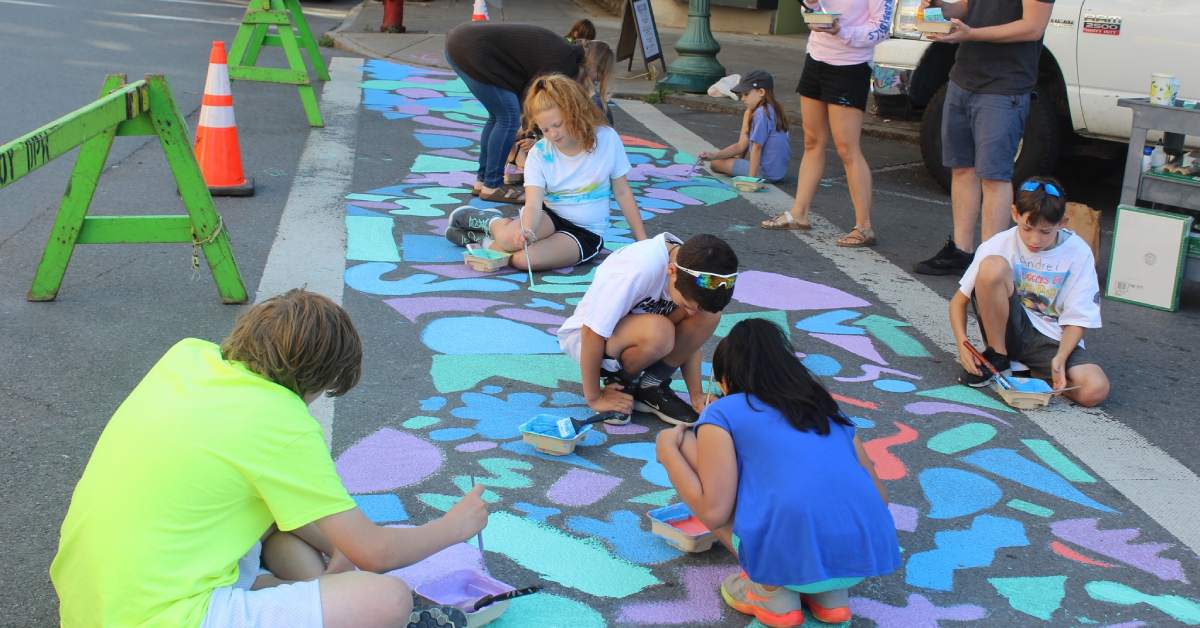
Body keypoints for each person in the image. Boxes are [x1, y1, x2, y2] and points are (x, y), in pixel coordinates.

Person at [50, 289, 488, 628]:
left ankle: (313, 591)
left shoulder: (187, 358)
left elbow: (296, 521)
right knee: (388, 599)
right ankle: (326, 597)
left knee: (277, 527)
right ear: (317, 381)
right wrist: (453, 527)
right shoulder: (281, 418)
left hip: (92, 604)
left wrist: (336, 549)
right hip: (165, 617)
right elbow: (374, 553)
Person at [656, 319, 899, 627]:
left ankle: (770, 593)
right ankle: (831, 598)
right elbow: (880, 497)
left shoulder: (722, 412)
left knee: (690, 447)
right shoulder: (826, 408)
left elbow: (714, 512)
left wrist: (668, 451)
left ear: (726, 380)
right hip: (856, 561)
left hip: (785, 559)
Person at [445, 74, 648, 271]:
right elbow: (533, 203)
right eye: (545, 129)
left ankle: (483, 238)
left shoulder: (606, 138)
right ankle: (493, 223)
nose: (553, 134)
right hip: (550, 216)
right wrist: (526, 231)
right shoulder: (540, 153)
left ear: (575, 112)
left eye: (557, 125)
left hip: (586, 231)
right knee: (511, 240)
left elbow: (622, 192)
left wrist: (643, 243)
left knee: (523, 260)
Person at [912, 0, 1055, 274]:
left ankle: (990, 258)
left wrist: (971, 33)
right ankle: (961, 251)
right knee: (962, 168)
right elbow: (968, 6)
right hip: (963, 78)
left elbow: (1033, 27)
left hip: (1005, 85)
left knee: (994, 176)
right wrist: (940, 10)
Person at [951, 177, 1109, 406]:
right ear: (1015, 214)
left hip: (1052, 340)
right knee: (992, 267)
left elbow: (1078, 318)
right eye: (1027, 228)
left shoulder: (1078, 252)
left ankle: (1036, 373)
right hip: (1008, 329)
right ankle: (999, 357)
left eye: (1045, 232)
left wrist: (1060, 358)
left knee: (1095, 389)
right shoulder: (1000, 243)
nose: (1035, 239)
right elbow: (958, 302)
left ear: (1062, 222)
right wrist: (963, 345)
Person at [556, 233, 739, 426]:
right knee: (661, 331)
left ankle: (649, 385)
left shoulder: (692, 264)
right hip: (589, 342)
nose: (690, 314)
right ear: (671, 271)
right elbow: (591, 332)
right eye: (686, 305)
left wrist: (696, 395)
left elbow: (693, 341)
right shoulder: (636, 270)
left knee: (708, 314)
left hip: (642, 337)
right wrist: (595, 398)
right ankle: (621, 383)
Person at [760, 0, 893, 248]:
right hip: (816, 58)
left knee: (847, 148)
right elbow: (811, 12)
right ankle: (799, 213)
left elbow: (881, 29)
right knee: (812, 141)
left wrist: (841, 31)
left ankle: (864, 227)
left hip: (851, 66)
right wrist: (810, 6)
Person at [444, 23, 614, 204]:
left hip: (461, 45)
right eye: (600, 73)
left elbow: (528, 94)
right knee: (508, 118)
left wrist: (529, 129)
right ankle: (492, 185)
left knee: (499, 117)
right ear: (593, 63)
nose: (597, 79)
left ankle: (483, 181)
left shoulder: (565, 54)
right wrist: (531, 131)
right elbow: (534, 97)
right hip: (471, 50)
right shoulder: (564, 62)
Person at [699, 70, 791, 184]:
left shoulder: (761, 113)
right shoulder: (774, 108)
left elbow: (757, 147)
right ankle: (740, 165)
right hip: (778, 173)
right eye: (742, 95)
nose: (743, 98)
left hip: (765, 173)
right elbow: (741, 146)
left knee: (716, 164)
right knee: (720, 158)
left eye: (746, 94)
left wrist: (751, 180)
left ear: (761, 92)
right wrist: (713, 155)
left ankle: (747, 171)